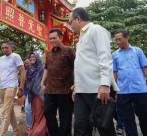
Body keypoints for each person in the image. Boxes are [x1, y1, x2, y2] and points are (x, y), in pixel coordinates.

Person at [70, 7, 116, 136]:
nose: (70, 25)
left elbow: (105, 58)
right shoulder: (80, 39)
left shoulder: (96, 30)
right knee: (80, 127)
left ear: (78, 19)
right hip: (81, 91)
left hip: (97, 89)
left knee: (104, 126)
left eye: (71, 21)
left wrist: (105, 84)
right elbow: (85, 64)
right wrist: (76, 86)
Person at [112, 29, 147, 136]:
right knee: (127, 119)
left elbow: (144, 67)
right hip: (123, 91)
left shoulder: (137, 51)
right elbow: (115, 72)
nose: (118, 42)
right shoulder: (114, 55)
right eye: (116, 40)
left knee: (144, 116)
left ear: (127, 38)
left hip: (140, 89)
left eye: (120, 39)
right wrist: (115, 90)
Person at [41, 28, 75, 136]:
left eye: (54, 38)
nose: (52, 40)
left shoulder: (68, 50)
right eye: (50, 38)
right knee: (47, 112)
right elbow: (46, 69)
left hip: (65, 90)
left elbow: (75, 68)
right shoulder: (49, 54)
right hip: (50, 89)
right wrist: (42, 83)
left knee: (65, 117)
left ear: (60, 38)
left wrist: (75, 84)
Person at [0, 40, 25, 136]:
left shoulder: (16, 56)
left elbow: (22, 72)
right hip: (1, 87)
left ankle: (2, 134)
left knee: (5, 111)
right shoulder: (0, 59)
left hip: (11, 86)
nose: (4, 49)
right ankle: (16, 131)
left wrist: (21, 88)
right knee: (10, 110)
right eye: (2, 48)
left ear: (11, 47)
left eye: (6, 47)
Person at [27, 52, 49, 136]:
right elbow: (27, 83)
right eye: (31, 57)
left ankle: (39, 131)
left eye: (34, 57)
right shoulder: (29, 69)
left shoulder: (42, 68)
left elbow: (45, 81)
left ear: (37, 58)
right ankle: (38, 130)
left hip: (40, 95)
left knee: (40, 114)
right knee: (35, 114)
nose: (32, 58)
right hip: (32, 96)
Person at [24, 58, 32, 131]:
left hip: (37, 94)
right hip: (27, 94)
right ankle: (29, 126)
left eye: (28, 63)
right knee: (27, 109)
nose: (27, 65)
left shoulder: (36, 70)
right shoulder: (24, 72)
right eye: (25, 63)